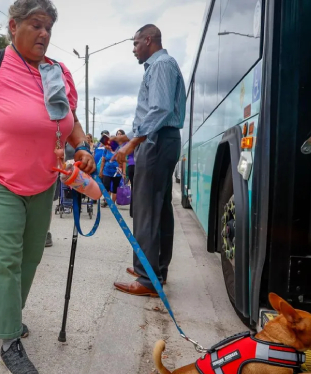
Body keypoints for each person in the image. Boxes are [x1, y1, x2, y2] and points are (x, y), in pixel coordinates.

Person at [0, 0, 95, 371]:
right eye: (36, 25)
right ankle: (9, 339)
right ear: (14, 26)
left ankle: (8, 314)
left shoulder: (58, 71)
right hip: (0, 179)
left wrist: (84, 147)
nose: (44, 33)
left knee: (31, 257)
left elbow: (71, 121)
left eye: (49, 28)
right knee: (5, 259)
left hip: (45, 181)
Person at [112, 24, 186, 297]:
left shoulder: (161, 65)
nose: (133, 50)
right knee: (160, 209)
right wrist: (128, 136)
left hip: (155, 143)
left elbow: (160, 109)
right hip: (161, 139)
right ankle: (155, 270)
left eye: (135, 44)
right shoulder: (163, 65)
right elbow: (156, 113)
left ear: (148, 39)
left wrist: (134, 142)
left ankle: (146, 279)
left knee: (146, 209)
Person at [99, 131, 122, 207]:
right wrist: (101, 171)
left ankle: (112, 204)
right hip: (107, 171)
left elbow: (123, 161)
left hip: (116, 172)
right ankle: (107, 201)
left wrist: (122, 170)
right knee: (106, 186)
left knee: (114, 188)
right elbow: (103, 160)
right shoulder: (106, 149)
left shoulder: (119, 149)